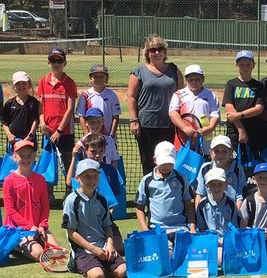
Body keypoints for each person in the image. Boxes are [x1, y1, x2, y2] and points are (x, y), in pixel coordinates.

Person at [62, 159, 125, 278]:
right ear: (77, 178)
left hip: (103, 246)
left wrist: (110, 245)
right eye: (87, 177)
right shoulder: (71, 201)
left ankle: (99, 265)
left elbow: (107, 226)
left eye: (95, 176)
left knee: (123, 271)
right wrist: (93, 249)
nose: (92, 180)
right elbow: (71, 233)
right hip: (84, 248)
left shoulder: (102, 199)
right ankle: (76, 262)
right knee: (98, 277)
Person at [127, 35, 181, 174]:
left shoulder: (174, 70)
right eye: (153, 50)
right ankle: (149, 192)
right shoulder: (139, 71)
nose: (156, 52)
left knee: (169, 161)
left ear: (164, 52)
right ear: (148, 53)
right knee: (148, 162)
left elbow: (182, 94)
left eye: (160, 49)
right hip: (146, 125)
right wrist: (134, 120)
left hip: (169, 125)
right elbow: (131, 96)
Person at [75, 63, 124, 197]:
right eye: (95, 76)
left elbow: (115, 116)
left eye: (101, 76)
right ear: (90, 78)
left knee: (107, 165)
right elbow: (81, 116)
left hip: (107, 138)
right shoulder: (85, 95)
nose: (98, 79)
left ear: (106, 78)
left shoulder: (112, 95)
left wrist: (112, 135)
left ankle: (109, 196)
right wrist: (88, 137)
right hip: (91, 139)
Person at [2, 139, 56, 260]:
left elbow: (45, 206)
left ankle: (32, 241)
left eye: (29, 155)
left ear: (34, 156)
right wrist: (29, 227)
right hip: (19, 229)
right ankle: (15, 245)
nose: (26, 159)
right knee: (39, 254)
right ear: (14, 157)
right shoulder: (9, 181)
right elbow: (10, 210)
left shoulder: (41, 179)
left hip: (39, 227)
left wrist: (42, 225)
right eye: (22, 155)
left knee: (56, 252)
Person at [37, 47, 78, 203]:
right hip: (47, 132)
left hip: (65, 132)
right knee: (49, 163)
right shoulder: (42, 81)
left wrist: (59, 130)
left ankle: (69, 192)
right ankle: (49, 194)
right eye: (53, 60)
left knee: (68, 163)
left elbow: (70, 109)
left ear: (64, 63)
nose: (56, 63)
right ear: (48, 63)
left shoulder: (70, 83)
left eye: (59, 60)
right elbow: (41, 106)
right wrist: (42, 123)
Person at [136, 142, 194, 236]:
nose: (166, 167)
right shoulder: (147, 180)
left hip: (180, 227)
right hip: (156, 229)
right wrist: (146, 230)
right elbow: (140, 208)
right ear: (155, 160)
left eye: (170, 163)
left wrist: (192, 228)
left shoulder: (181, 179)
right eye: (163, 163)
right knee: (166, 250)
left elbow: (188, 205)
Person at [222, 50, 267, 155]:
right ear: (236, 65)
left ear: (253, 65)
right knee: (233, 163)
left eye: (248, 64)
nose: (245, 67)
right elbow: (229, 107)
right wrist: (241, 129)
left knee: (251, 165)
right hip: (234, 132)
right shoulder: (231, 84)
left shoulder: (258, 86)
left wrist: (239, 115)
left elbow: (259, 109)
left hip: (254, 132)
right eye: (242, 64)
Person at [169, 64, 219, 155]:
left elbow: (215, 114)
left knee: (203, 167)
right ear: (186, 80)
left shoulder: (210, 95)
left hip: (204, 143)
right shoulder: (178, 94)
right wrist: (184, 127)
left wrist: (210, 128)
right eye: (191, 79)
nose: (194, 82)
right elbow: (173, 113)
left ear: (203, 79)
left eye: (197, 79)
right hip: (182, 141)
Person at [195, 135, 247, 208]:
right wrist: (199, 216)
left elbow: (240, 197)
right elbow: (200, 194)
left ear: (230, 152)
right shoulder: (205, 168)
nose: (220, 155)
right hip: (209, 214)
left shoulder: (237, 169)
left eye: (224, 151)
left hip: (231, 213)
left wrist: (235, 216)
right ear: (211, 152)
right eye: (216, 151)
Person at [195, 167, 242, 249]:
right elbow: (202, 229)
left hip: (228, 241)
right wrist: (214, 241)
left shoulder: (231, 204)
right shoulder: (202, 205)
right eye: (212, 184)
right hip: (209, 242)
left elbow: (234, 227)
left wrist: (225, 240)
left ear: (226, 184)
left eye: (220, 184)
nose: (216, 188)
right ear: (207, 185)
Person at [0, 70, 40, 149]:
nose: (21, 86)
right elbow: (5, 122)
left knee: (28, 160)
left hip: (29, 140)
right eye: (18, 84)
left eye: (24, 83)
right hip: (14, 141)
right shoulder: (9, 103)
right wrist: (9, 135)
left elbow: (36, 120)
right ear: (14, 86)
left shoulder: (34, 102)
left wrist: (30, 135)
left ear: (28, 85)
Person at [240, 161, 267, 235]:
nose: (263, 180)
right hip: (253, 242)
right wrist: (254, 232)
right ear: (254, 179)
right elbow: (242, 227)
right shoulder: (249, 201)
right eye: (260, 177)